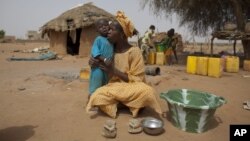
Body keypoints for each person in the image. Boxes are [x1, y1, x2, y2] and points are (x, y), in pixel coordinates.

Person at [86, 11, 162, 118]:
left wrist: (114, 71)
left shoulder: (134, 51)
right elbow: (101, 69)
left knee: (147, 92)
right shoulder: (110, 51)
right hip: (114, 87)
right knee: (97, 95)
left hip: (131, 88)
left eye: (111, 29)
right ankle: (128, 104)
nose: (108, 32)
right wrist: (93, 62)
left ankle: (119, 103)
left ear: (121, 34)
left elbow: (138, 79)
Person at [88, 18, 113, 98]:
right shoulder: (98, 39)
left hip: (107, 67)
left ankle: (100, 100)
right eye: (100, 27)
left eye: (106, 25)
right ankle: (92, 99)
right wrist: (105, 59)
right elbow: (96, 53)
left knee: (105, 83)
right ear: (97, 30)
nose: (104, 27)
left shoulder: (111, 40)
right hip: (98, 66)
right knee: (96, 83)